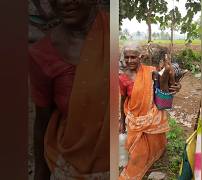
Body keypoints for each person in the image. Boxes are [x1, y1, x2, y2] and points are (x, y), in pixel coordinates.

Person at [29, 0, 110, 179]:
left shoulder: (112, 35)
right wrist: (40, 174)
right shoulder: (42, 54)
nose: (64, 2)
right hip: (71, 169)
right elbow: (42, 122)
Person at [118, 44, 181, 179]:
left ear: (140, 57)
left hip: (152, 118)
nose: (130, 61)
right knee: (137, 155)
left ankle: (155, 156)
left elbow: (164, 90)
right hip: (136, 121)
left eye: (133, 57)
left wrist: (177, 86)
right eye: (127, 57)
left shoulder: (152, 72)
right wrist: (122, 121)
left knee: (156, 143)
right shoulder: (123, 78)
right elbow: (123, 100)